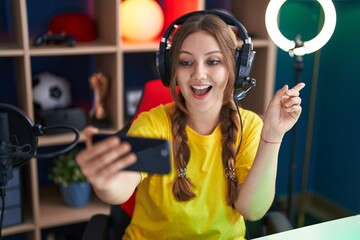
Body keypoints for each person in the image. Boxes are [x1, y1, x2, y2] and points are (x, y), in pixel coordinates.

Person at [76, 11, 305, 240]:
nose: (199, 74)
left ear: (235, 68)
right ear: (171, 70)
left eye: (213, 61)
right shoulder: (153, 124)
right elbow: (121, 188)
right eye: (186, 62)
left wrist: (273, 136)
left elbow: (252, 211)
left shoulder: (251, 126)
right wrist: (105, 182)